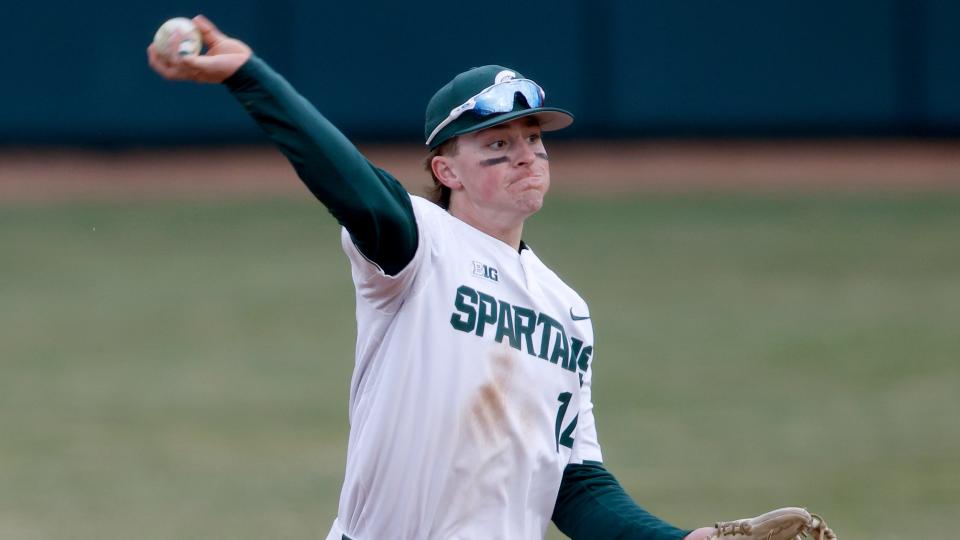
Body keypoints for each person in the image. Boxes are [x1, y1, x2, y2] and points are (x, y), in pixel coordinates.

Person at [147, 14, 722, 540]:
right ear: (447, 171)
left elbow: (572, 482)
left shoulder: (567, 310)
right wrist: (252, 77)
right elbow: (346, 179)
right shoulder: (418, 246)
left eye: (534, 139)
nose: (526, 155)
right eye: (498, 143)